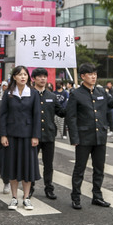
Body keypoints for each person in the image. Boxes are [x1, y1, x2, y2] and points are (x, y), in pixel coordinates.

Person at [66, 63, 113, 210]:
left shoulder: (101, 91)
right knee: (80, 169)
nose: (93, 76)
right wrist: (74, 138)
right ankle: (76, 197)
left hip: (100, 136)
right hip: (84, 138)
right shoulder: (76, 94)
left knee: (99, 169)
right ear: (83, 76)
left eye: (95, 74)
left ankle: (97, 196)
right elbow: (71, 118)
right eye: (90, 74)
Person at [0, 65, 41, 211]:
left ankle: (26, 198)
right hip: (12, 135)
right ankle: (14, 197)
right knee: (12, 166)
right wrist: (3, 134)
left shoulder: (34, 93)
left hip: (28, 136)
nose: (23, 77)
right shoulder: (8, 93)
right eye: (20, 74)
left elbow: (37, 115)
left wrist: (36, 135)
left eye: (25, 74)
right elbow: (3, 114)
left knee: (27, 168)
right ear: (14, 77)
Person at [30, 68, 66, 200]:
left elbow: (61, 112)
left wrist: (73, 103)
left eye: (44, 76)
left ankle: (49, 188)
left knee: (48, 164)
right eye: (39, 76)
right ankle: (30, 187)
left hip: (49, 135)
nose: (42, 79)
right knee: (32, 163)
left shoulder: (52, 96)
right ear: (33, 79)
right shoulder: (29, 95)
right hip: (33, 135)